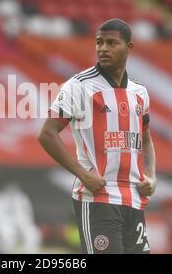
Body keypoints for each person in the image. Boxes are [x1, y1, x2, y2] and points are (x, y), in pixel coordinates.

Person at [38, 19, 157, 254]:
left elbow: (146, 140)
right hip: (98, 198)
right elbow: (47, 134)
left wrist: (151, 177)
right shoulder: (79, 86)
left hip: (133, 198)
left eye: (112, 43)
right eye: (99, 43)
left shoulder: (139, 92)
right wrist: (84, 175)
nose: (103, 48)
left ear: (129, 48)